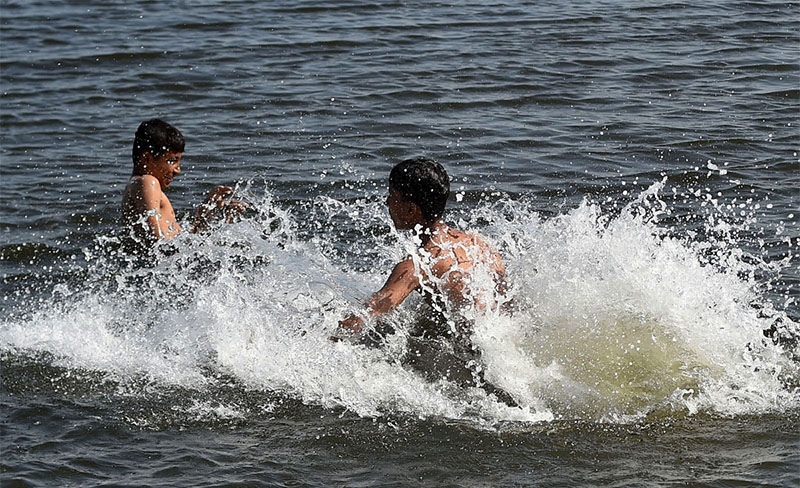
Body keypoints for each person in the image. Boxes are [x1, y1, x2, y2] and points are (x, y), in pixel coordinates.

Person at [335, 157, 509, 388]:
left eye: (392, 196)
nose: (387, 202)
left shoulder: (420, 263)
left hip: (478, 362)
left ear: (411, 208)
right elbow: (506, 299)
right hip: (506, 350)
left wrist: (330, 338)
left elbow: (378, 307)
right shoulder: (480, 244)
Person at [121, 119, 246, 247]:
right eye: (172, 161)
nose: (178, 170)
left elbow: (172, 245)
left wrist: (203, 219)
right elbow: (158, 245)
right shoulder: (147, 182)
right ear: (147, 158)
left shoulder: (138, 185)